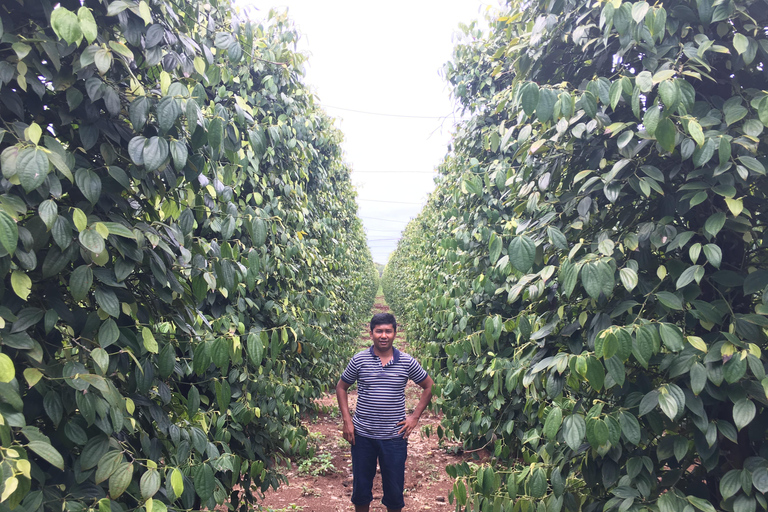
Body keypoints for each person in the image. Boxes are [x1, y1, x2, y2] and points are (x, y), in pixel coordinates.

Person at [335, 312, 434, 512]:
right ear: (371, 333)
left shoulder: (406, 362)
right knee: (361, 489)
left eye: (388, 331)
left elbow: (429, 385)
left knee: (395, 491)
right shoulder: (359, 360)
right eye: (379, 331)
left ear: (395, 333)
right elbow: (341, 387)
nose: (383, 335)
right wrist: (347, 420)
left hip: (394, 437)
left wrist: (414, 417)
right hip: (363, 436)